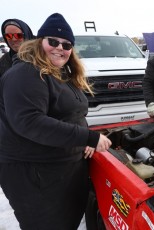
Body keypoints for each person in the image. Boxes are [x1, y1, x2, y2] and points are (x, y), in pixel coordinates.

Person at [0, 13, 112, 229]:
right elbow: (30, 122)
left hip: (60, 168)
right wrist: (88, 137)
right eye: (53, 41)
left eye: (67, 44)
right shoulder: (26, 73)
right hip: (34, 174)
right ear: (39, 42)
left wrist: (85, 140)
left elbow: (73, 115)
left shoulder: (61, 73)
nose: (60, 47)